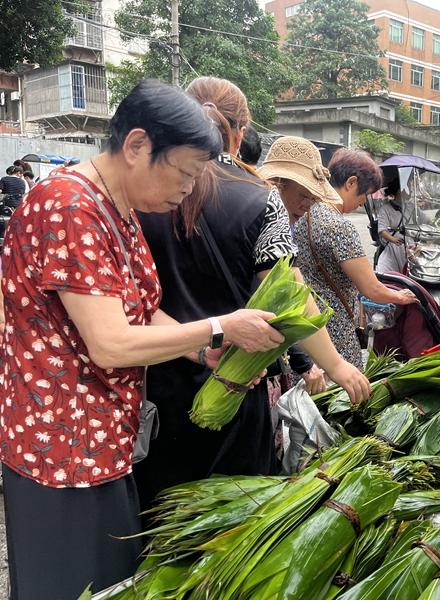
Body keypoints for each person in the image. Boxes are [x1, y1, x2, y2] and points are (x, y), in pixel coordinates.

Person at [0, 79, 291, 600]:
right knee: (69, 585)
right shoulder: (68, 206)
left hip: (105, 441)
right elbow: (110, 343)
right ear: (136, 146)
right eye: (182, 173)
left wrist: (200, 350)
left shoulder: (120, 209)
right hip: (61, 447)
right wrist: (222, 324)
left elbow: (140, 309)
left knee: (111, 581)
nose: (187, 190)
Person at [134, 78, 366, 511]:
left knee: (164, 512)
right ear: (240, 133)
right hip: (237, 384)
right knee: (233, 521)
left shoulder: (142, 193)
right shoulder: (261, 200)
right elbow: (290, 295)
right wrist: (335, 365)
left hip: (156, 381)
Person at [265, 146, 417, 369]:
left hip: (302, 326)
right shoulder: (339, 227)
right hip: (333, 329)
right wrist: (401, 296)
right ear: (351, 183)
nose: (361, 203)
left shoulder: (305, 212)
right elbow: (371, 289)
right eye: (364, 195)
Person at [376, 180, 407, 274]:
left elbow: (424, 220)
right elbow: (382, 230)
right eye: (405, 190)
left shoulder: (411, 207)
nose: (408, 193)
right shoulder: (385, 209)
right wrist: (393, 240)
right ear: (398, 192)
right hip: (393, 245)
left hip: (410, 246)